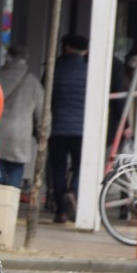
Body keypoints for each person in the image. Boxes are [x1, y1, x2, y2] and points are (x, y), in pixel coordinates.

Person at [0, 44, 44, 193]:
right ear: (25, 59)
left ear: (8, 57)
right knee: (15, 173)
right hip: (21, 137)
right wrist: (42, 134)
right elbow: (41, 113)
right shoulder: (33, 82)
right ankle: (8, 208)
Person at [49, 34, 89, 223]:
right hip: (81, 129)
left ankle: (61, 212)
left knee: (58, 169)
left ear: (66, 48)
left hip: (56, 128)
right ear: (85, 51)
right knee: (81, 166)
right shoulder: (88, 71)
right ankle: (73, 191)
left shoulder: (54, 69)